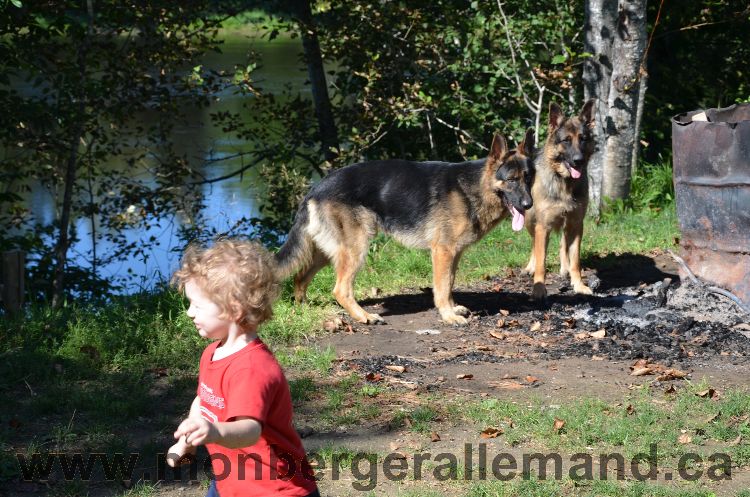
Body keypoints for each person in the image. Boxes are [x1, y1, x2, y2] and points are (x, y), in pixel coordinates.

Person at [168, 239, 320, 497]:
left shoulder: (252, 369)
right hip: (232, 480)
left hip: (275, 489)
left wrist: (213, 432)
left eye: (197, 305)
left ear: (233, 309)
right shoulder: (213, 353)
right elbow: (204, 399)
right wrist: (190, 437)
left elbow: (249, 430)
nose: (189, 313)